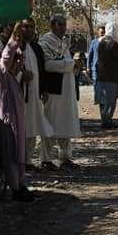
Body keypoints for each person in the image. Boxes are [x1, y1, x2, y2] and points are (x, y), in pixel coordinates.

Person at [0, 27, 35, 201]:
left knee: (19, 152)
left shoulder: (14, 79)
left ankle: (21, 184)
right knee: (11, 153)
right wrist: (15, 33)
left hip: (17, 119)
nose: (18, 67)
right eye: (16, 64)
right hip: (7, 120)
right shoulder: (1, 74)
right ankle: (15, 187)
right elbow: (7, 54)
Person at [39, 14, 81, 170]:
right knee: (49, 123)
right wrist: (70, 64)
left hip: (67, 90)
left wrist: (76, 65)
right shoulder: (45, 42)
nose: (63, 28)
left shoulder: (63, 42)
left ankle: (65, 157)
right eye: (60, 24)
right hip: (53, 90)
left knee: (66, 122)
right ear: (52, 25)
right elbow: (48, 65)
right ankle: (46, 158)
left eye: (64, 24)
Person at [19, 19, 52, 170]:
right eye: (26, 27)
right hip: (20, 95)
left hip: (35, 95)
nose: (29, 30)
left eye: (32, 27)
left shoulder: (36, 48)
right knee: (23, 128)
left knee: (33, 127)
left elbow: (42, 71)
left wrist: (44, 89)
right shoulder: (16, 48)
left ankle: (28, 160)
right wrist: (21, 74)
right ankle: (21, 161)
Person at [95, 21, 118, 128]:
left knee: (103, 101)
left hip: (101, 76)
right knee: (111, 100)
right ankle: (107, 121)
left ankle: (104, 120)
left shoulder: (100, 42)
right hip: (111, 77)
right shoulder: (113, 43)